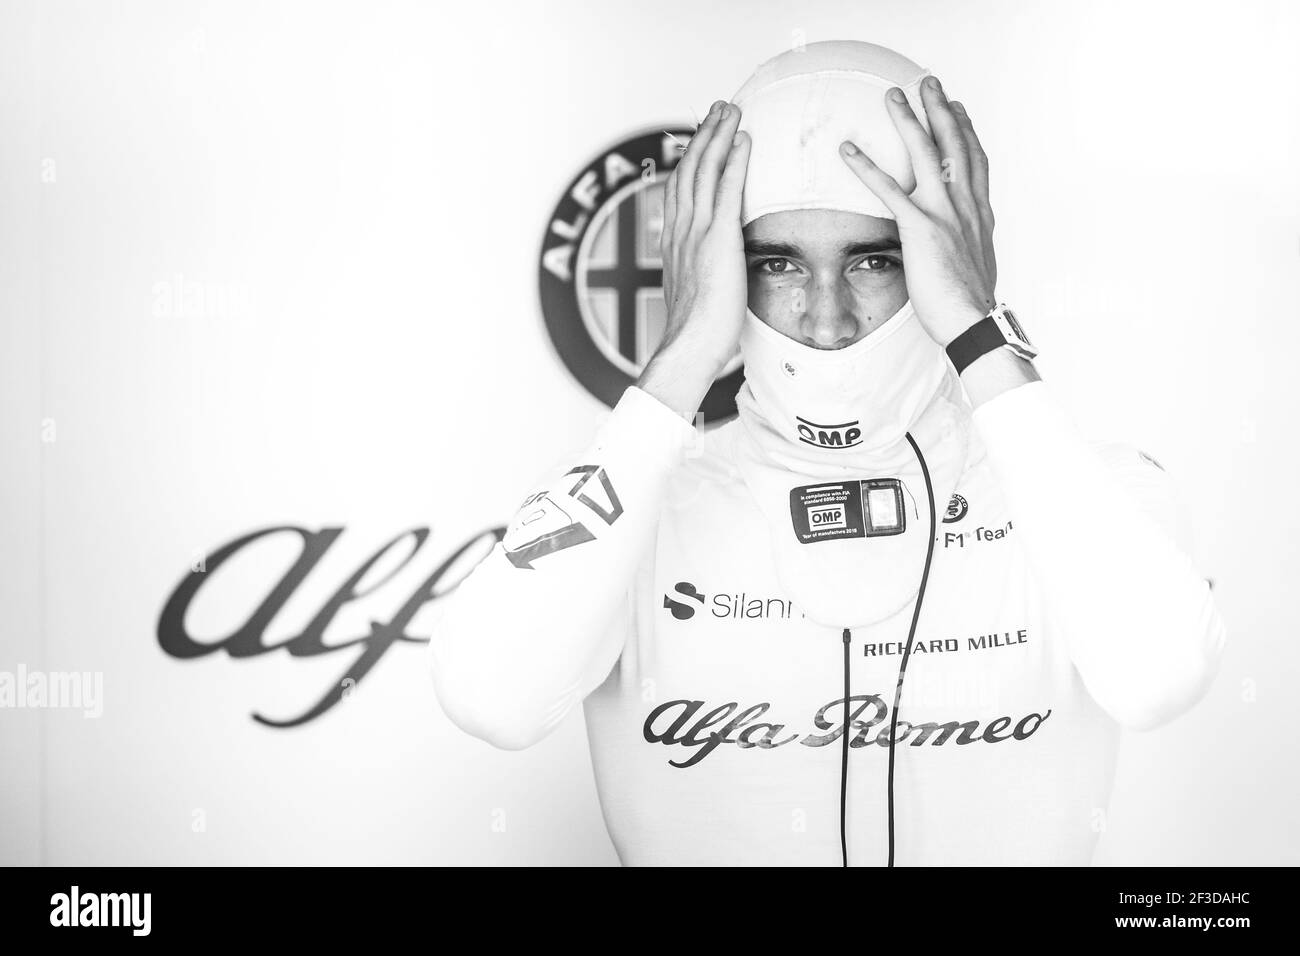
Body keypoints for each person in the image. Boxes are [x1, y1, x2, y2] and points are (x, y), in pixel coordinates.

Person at [427, 40, 1227, 866]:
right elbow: (493, 697)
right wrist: (684, 354)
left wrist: (978, 329)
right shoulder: (636, 508)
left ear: (947, 258)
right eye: (775, 265)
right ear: (719, 272)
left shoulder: (1092, 491)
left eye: (876, 261)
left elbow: (1159, 674)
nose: (826, 320)